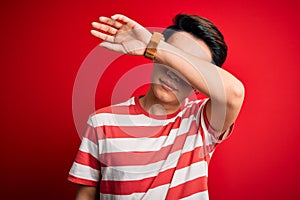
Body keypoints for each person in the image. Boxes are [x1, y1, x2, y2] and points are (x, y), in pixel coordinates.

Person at [68, 13, 244, 200]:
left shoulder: (202, 123)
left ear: (198, 83)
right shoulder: (101, 122)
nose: (175, 73)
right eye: (171, 56)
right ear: (155, 57)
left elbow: (234, 92)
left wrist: (155, 46)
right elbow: (86, 195)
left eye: (187, 66)